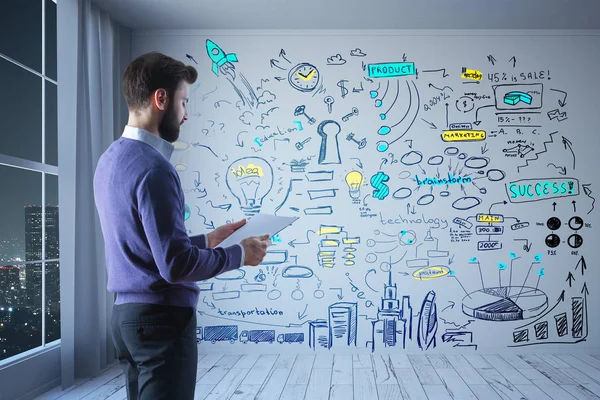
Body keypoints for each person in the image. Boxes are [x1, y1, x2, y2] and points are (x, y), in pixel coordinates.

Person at [93, 52, 271, 400]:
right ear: (161, 99)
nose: (187, 114)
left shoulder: (110, 159)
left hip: (127, 319)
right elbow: (174, 266)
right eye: (184, 102)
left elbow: (142, 243)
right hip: (161, 321)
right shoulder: (155, 169)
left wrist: (207, 240)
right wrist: (240, 254)